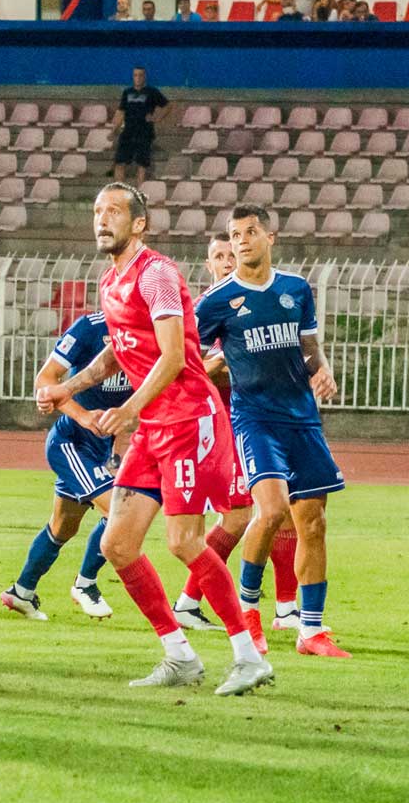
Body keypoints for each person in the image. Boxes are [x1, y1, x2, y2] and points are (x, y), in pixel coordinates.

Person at [38, 185, 272, 695]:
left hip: (188, 418)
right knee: (116, 543)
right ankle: (179, 655)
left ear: (139, 224)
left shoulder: (158, 275)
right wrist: (69, 387)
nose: (102, 219)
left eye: (114, 212)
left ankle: (247, 655)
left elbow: (171, 358)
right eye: (97, 210)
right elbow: (118, 354)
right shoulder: (110, 280)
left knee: (183, 540)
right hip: (155, 427)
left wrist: (127, 410)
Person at [196, 206, 351, 659]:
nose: (242, 241)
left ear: (270, 237)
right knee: (270, 510)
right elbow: (191, 362)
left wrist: (322, 371)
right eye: (234, 234)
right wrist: (216, 369)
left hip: (302, 418)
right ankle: (248, 613)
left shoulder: (296, 290)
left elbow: (309, 349)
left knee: (314, 522)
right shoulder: (216, 301)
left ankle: (312, 631)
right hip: (254, 418)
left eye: (250, 232)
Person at [1, 307, 129, 622]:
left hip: (103, 444)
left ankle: (22, 591)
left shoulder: (149, 333)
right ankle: (85, 584)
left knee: (63, 527)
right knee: (121, 511)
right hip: (71, 441)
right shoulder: (89, 327)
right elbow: (45, 378)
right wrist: (83, 416)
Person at [111, 66, 169, 182]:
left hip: (144, 132)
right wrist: (114, 129)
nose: (138, 78)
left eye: (140, 75)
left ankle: (139, 196)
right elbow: (121, 112)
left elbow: (168, 106)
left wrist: (156, 118)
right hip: (128, 132)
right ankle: (119, 194)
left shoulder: (152, 92)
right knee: (119, 163)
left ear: (145, 77)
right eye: (135, 75)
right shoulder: (127, 92)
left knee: (141, 166)